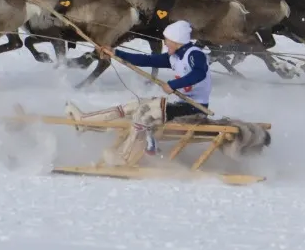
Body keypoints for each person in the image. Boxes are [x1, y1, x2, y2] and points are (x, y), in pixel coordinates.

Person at [64, 20, 212, 166]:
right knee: (132, 106)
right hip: (180, 105)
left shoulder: (194, 55)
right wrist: (115, 53)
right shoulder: (173, 57)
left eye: (167, 40)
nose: (165, 43)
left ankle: (124, 157)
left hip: (194, 109)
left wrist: (173, 85)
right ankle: (84, 121)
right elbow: (147, 59)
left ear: (177, 41)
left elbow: (199, 73)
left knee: (145, 113)